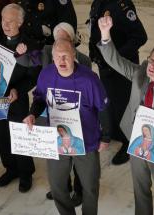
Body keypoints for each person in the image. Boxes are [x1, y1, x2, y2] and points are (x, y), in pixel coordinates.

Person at [97, 16, 154, 215]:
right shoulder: (140, 74)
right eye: (150, 59)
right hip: (136, 143)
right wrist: (105, 34)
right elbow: (116, 61)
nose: (151, 65)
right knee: (140, 190)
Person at [23, 39, 110, 215]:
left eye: (65, 56)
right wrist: (32, 113)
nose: (62, 61)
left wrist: (106, 136)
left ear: (74, 56)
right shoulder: (46, 75)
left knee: (90, 187)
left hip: (87, 141)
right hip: (56, 140)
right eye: (57, 57)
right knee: (56, 186)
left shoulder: (89, 80)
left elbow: (103, 109)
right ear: (52, 58)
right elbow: (39, 99)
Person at [0, 3, 42, 192]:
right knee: (0, 137)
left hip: (17, 98)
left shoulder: (31, 44)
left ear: (21, 22)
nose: (5, 25)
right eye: (3, 20)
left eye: (10, 22)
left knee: (19, 136)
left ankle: (25, 173)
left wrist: (19, 90)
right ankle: (11, 169)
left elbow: (33, 75)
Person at [89, 0, 147, 165]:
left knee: (124, 105)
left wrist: (116, 59)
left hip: (121, 68)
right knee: (111, 101)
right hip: (105, 65)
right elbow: (95, 29)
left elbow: (140, 36)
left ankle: (129, 142)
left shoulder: (122, 5)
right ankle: (116, 132)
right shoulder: (97, 3)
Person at [41, 22, 91, 204]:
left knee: (77, 153)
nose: (61, 41)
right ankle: (61, 188)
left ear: (72, 41)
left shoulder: (84, 60)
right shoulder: (47, 53)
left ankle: (79, 190)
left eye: (65, 38)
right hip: (54, 114)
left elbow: (88, 88)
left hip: (76, 116)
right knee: (57, 156)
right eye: (58, 38)